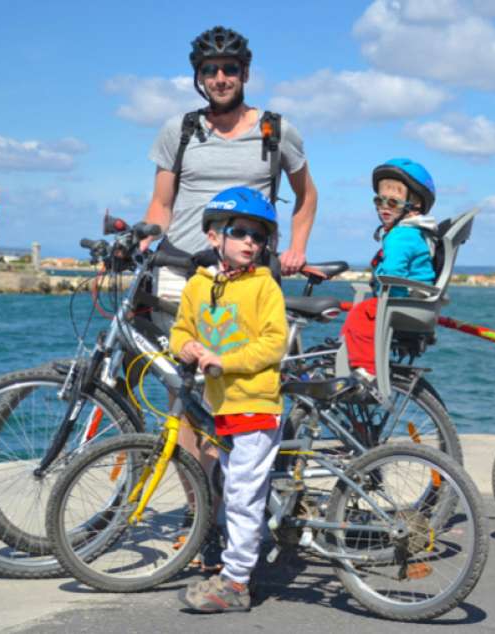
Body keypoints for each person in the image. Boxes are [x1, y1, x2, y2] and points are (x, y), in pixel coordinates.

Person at [142, 25, 317, 310]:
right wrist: (141, 238)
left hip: (247, 268)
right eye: (210, 70)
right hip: (177, 264)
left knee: (241, 353)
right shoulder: (179, 130)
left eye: (230, 70)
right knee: (166, 351)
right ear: (199, 77)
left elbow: (307, 195)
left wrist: (297, 248)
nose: (220, 79)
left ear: (245, 73)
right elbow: (161, 205)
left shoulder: (275, 130)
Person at [171, 186, 287, 613]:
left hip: (255, 401)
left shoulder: (264, 287)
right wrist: (184, 347)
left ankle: (236, 581)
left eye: (259, 237)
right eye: (240, 232)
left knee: (241, 493)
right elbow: (182, 329)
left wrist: (227, 360)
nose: (250, 243)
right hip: (221, 404)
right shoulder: (199, 286)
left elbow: (274, 343)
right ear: (213, 236)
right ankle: (234, 563)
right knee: (234, 486)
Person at [340, 158, 438, 379]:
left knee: (360, 315)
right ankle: (358, 360)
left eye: (393, 203)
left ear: (416, 206)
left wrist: (382, 287)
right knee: (360, 318)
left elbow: (393, 272)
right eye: (379, 201)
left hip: (400, 299)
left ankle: (367, 371)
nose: (384, 207)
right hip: (412, 299)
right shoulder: (413, 233)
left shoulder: (402, 236)